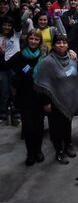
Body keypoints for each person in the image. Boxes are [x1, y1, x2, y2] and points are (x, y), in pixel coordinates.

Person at [35, 34, 78, 165]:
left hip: (69, 100)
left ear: (68, 45)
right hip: (54, 102)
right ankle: (59, 151)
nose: (61, 45)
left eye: (64, 42)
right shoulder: (47, 62)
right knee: (56, 127)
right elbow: (42, 85)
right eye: (58, 43)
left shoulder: (72, 58)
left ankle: (68, 144)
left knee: (67, 124)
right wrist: (46, 103)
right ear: (54, 45)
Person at [7, 29, 46, 165]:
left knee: (39, 126)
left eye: (36, 39)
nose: (34, 41)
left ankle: (38, 150)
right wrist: (19, 77)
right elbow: (7, 68)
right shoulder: (19, 56)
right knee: (28, 127)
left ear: (40, 41)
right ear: (27, 40)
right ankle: (30, 153)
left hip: (39, 97)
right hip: (24, 97)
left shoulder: (43, 56)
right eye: (31, 38)